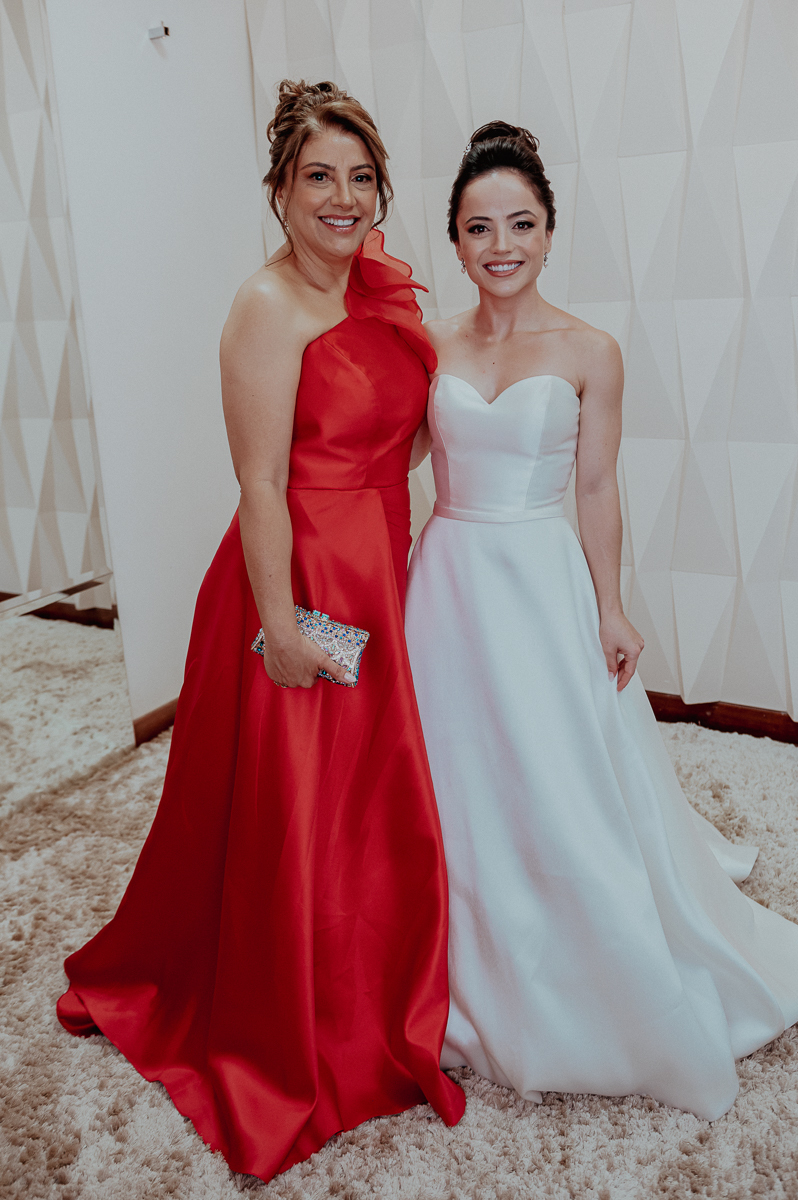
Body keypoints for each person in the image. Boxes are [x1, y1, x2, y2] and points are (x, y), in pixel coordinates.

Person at [56, 80, 464, 1182]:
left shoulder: (380, 287)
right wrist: (280, 626)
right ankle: (292, 1031)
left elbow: (405, 432)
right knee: (298, 811)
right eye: (318, 177)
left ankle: (374, 992)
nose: (343, 198)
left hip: (377, 564)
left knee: (371, 805)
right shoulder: (264, 308)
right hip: (295, 579)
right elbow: (260, 481)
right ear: (280, 191)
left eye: (361, 177)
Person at [405, 120, 798, 1121]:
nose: (501, 245)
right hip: (447, 578)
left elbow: (595, 489)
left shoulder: (590, 349)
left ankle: (586, 960)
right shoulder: (428, 344)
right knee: (450, 769)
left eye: (521, 223)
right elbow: (387, 459)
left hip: (540, 579)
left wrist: (612, 606)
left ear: (548, 230)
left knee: (555, 768)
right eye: (479, 226)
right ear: (453, 238)